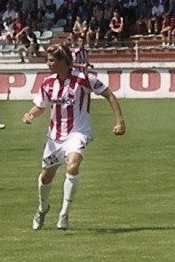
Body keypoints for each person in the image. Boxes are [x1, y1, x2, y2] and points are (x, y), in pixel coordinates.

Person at [22, 44, 125, 231]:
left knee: (73, 164)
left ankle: (64, 214)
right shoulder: (47, 83)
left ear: (63, 61)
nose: (48, 63)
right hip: (55, 137)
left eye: (52, 60)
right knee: (46, 177)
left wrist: (120, 121)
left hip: (78, 132)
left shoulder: (84, 79)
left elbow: (109, 94)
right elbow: (40, 106)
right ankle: (42, 208)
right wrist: (30, 114)